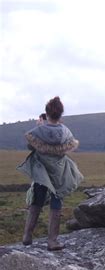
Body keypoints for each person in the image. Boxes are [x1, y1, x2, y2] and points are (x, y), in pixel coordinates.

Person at [17, 96, 83, 251]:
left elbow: (30, 146)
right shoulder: (65, 131)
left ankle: (27, 235)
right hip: (59, 172)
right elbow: (70, 145)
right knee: (56, 200)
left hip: (42, 172)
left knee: (37, 200)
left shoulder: (39, 131)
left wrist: (40, 126)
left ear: (47, 113)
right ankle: (52, 241)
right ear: (61, 114)